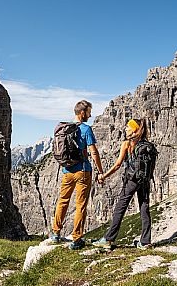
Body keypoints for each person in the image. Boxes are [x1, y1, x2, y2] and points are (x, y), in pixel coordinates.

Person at [93, 118, 155, 250]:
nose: (125, 128)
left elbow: (117, 165)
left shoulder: (127, 144)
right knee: (144, 208)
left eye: (128, 126)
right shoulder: (147, 145)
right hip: (144, 180)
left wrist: (103, 175)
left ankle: (108, 239)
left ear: (134, 129)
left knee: (120, 208)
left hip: (132, 180)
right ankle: (145, 241)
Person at [51, 100, 104, 250]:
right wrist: (100, 171)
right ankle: (76, 239)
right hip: (83, 171)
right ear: (82, 113)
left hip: (67, 171)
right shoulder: (86, 129)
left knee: (62, 201)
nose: (90, 115)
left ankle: (56, 233)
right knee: (81, 205)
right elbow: (93, 152)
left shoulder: (64, 129)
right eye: (88, 112)